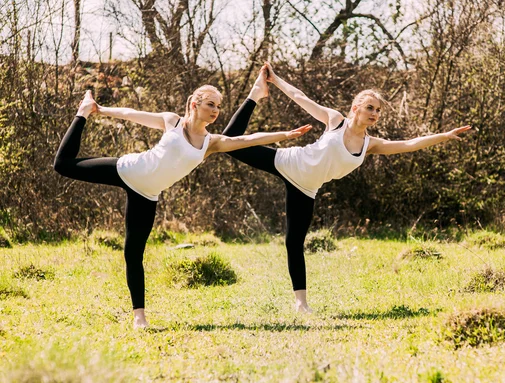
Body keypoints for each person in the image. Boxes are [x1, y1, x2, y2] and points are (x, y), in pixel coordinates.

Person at [53, 74, 311, 328]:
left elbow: (244, 140)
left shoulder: (212, 143)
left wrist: (284, 135)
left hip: (147, 195)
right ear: (194, 104)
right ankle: (83, 112)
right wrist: (100, 109)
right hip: (128, 170)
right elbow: (132, 114)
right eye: (210, 104)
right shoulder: (172, 121)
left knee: (133, 253)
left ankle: (139, 318)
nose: (215, 110)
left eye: (219, 106)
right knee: (63, 165)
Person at [222, 63, 471, 312]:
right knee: (230, 138)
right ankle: (256, 93)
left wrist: (444, 135)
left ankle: (301, 303)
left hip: (307, 189)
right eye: (369, 108)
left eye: (378, 110)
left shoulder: (370, 144)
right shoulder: (335, 120)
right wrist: (275, 81)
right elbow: (301, 98)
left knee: (294, 243)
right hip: (288, 162)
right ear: (356, 108)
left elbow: (409, 144)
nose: (374, 113)